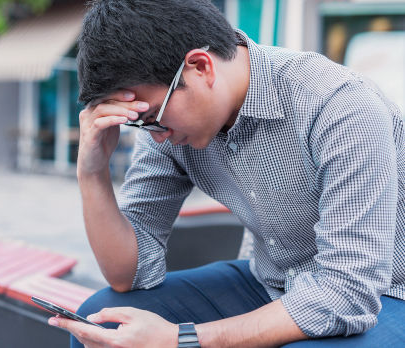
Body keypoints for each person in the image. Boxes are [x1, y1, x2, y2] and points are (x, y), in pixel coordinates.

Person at [48, 0, 405, 347]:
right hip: (272, 280)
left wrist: (183, 339)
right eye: (139, 123)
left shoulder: (337, 104)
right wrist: (93, 172)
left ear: (200, 67)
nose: (155, 134)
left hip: (386, 293)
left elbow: (348, 291)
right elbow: (129, 275)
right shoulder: (168, 127)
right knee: (101, 320)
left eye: (152, 115)